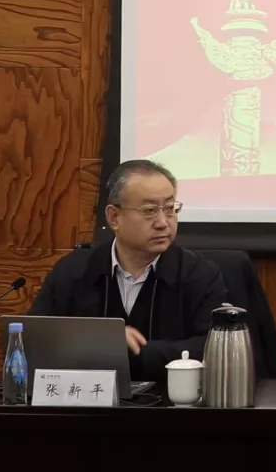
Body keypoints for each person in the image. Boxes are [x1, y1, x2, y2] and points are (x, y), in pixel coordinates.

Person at [28, 159, 227, 382]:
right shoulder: (74, 271)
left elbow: (213, 348)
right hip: (89, 401)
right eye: (149, 211)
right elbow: (35, 337)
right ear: (114, 217)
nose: (163, 222)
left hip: (170, 400)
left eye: (170, 209)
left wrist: (132, 353)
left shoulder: (199, 274)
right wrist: (101, 340)